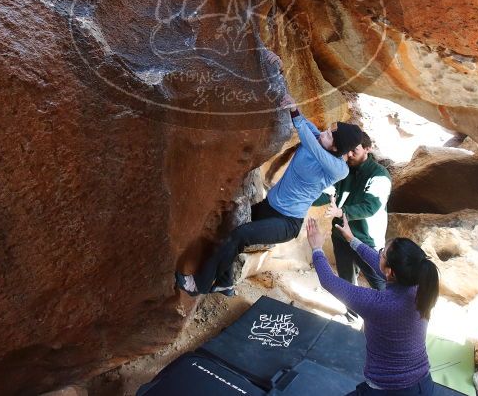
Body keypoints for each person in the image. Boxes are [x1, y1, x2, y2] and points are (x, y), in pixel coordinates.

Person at [175, 86, 364, 297]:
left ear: (337, 150)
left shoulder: (338, 169)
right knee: (230, 225)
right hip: (269, 206)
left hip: (287, 222)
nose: (324, 133)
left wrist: (295, 114)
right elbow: (305, 124)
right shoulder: (321, 140)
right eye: (327, 130)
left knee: (240, 234)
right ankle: (225, 282)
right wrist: (284, 94)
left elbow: (308, 139)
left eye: (329, 135)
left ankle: (197, 285)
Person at [306, 215, 440, 395]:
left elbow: (329, 281)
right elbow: (382, 267)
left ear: (391, 272)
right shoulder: (421, 285)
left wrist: (316, 248)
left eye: (383, 252)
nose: (379, 253)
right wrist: (351, 239)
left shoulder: (379, 304)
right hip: (424, 385)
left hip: (388, 391)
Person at [312, 137, 391, 291]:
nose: (349, 154)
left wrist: (341, 211)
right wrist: (304, 197)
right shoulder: (344, 170)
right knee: (346, 280)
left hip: (366, 240)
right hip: (341, 235)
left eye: (354, 150)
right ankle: (351, 314)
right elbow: (329, 192)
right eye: (347, 150)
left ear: (367, 148)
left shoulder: (379, 175)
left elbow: (370, 206)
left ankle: (388, 312)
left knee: (380, 283)